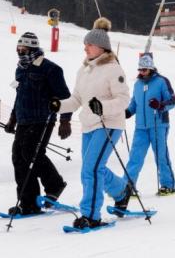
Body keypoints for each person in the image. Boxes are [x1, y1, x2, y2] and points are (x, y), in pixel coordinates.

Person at [51, 17, 131, 230]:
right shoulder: (84, 70)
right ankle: (122, 191)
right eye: (85, 44)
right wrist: (59, 105)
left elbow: (123, 100)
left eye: (89, 44)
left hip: (109, 125)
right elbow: (77, 99)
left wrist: (102, 107)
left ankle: (91, 214)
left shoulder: (114, 69)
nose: (85, 48)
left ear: (101, 47)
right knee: (93, 168)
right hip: (89, 124)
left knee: (91, 169)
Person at [4, 32, 72, 216]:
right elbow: (19, 96)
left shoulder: (50, 69)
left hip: (44, 118)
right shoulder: (21, 69)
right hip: (24, 119)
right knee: (18, 156)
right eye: (18, 49)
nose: (20, 52)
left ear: (33, 49)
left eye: (23, 49)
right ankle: (29, 202)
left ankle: (55, 183)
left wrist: (65, 120)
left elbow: (64, 96)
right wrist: (13, 118)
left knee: (31, 152)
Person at [124, 54, 175, 196]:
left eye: (144, 70)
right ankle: (127, 187)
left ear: (151, 68)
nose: (141, 72)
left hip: (158, 124)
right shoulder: (137, 85)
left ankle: (168, 185)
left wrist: (160, 105)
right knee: (135, 157)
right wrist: (128, 112)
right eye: (140, 69)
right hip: (141, 127)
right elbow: (134, 103)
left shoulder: (161, 81)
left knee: (161, 155)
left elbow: (172, 101)